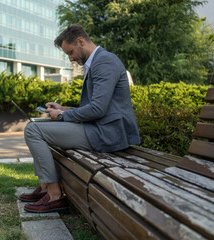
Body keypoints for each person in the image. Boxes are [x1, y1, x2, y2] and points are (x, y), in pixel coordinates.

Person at [19, 24, 141, 213]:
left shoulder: (104, 62)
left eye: (71, 52)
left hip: (107, 133)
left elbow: (98, 109)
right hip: (99, 127)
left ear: (81, 41)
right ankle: (45, 187)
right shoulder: (96, 63)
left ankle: (54, 195)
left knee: (33, 130)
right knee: (37, 125)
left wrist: (62, 116)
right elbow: (93, 107)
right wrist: (63, 109)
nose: (71, 58)